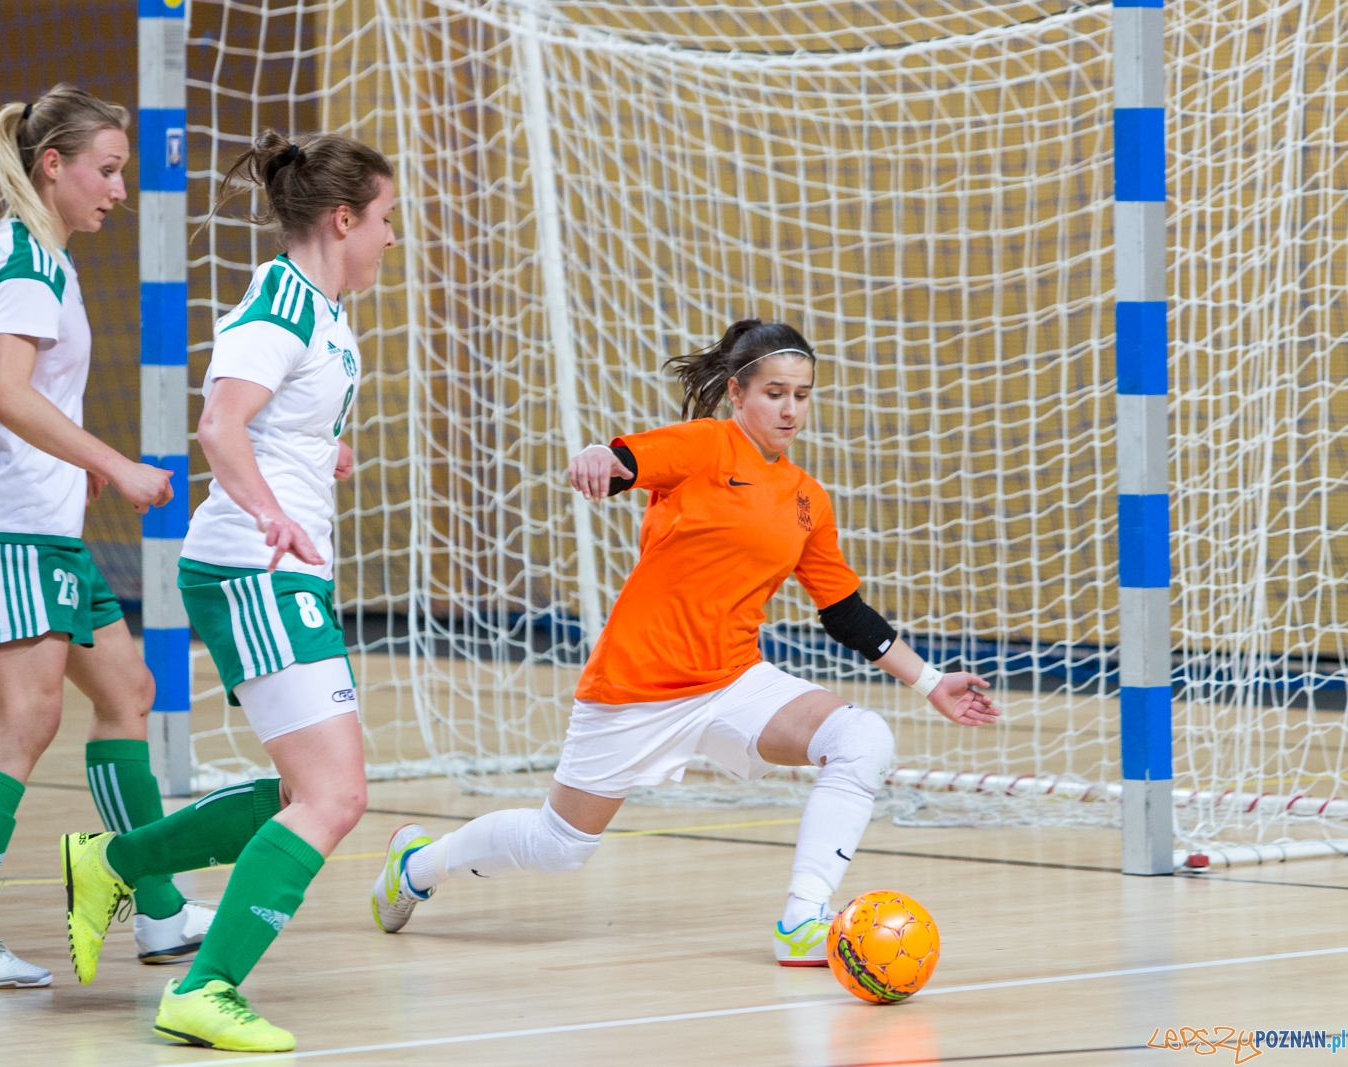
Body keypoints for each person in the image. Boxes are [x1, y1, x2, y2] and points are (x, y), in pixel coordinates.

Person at [365, 319, 1000, 967]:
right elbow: (629, 461)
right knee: (561, 847)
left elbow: (844, 613)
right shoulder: (705, 445)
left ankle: (802, 920)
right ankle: (416, 865)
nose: (790, 409)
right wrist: (599, 457)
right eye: (775, 393)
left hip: (732, 682)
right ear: (738, 393)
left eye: (802, 394)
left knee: (862, 737)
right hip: (637, 684)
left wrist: (931, 682)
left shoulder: (807, 498)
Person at [58, 129, 396, 1052]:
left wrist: (319, 452)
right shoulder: (281, 305)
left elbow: (271, 421)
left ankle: (115, 860)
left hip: (279, 570)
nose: (390, 238)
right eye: (385, 219)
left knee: (304, 788)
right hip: (256, 569)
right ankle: (203, 989)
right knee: (335, 796)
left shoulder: (322, 310)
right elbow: (219, 425)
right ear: (342, 219)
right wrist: (270, 509)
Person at [0, 84, 210, 989]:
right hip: (4, 527)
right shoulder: (27, 265)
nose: (119, 189)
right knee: (27, 717)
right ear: (53, 165)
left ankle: (157, 908)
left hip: (43, 528)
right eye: (107, 170)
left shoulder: (37, 255)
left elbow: (27, 396)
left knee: (128, 690)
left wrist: (73, 462)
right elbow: (5, 392)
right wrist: (114, 461)